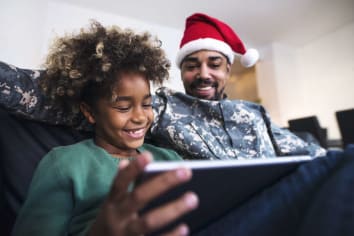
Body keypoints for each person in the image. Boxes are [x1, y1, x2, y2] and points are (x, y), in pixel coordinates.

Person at [0, 13, 326, 160]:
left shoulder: (257, 114)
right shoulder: (162, 108)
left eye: (214, 64)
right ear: (181, 70)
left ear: (228, 68)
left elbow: (313, 155)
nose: (203, 73)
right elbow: (55, 95)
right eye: (191, 64)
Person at [11, 21, 199, 236]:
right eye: (123, 107)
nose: (140, 116)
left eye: (147, 104)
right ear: (90, 112)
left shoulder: (169, 158)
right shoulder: (65, 164)